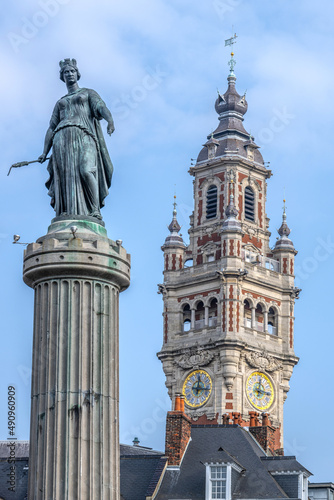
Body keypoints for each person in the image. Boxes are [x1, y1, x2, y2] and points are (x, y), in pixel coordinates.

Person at [38, 58, 115, 220]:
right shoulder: (60, 102)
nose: (69, 74)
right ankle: (65, 210)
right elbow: (51, 127)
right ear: (62, 76)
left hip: (84, 134)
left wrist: (110, 120)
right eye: (66, 72)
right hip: (61, 138)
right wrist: (45, 152)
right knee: (65, 176)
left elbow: (101, 106)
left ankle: (94, 210)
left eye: (72, 71)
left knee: (86, 171)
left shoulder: (88, 93)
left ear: (77, 74)